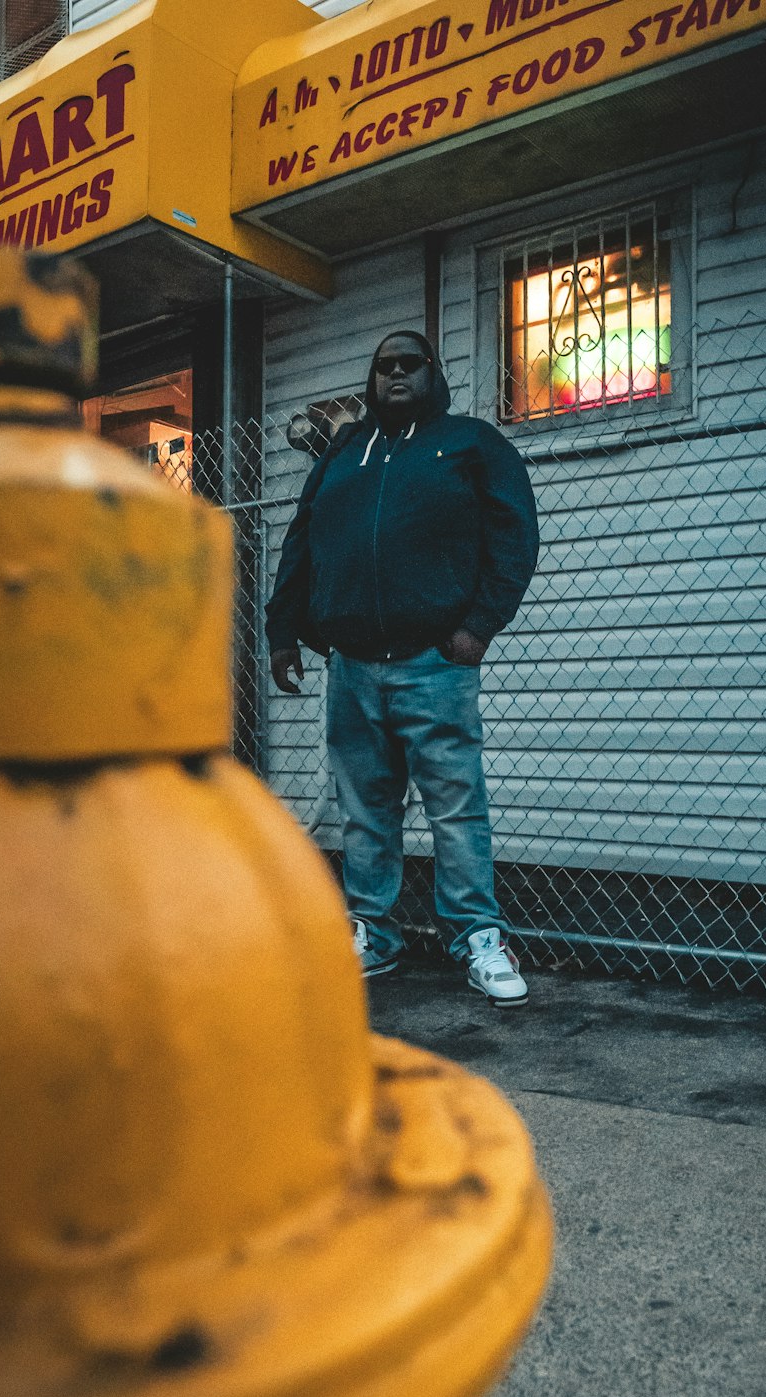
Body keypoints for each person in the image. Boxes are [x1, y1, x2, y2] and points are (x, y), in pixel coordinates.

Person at [266, 330, 539, 1006]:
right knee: (367, 810)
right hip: (352, 670)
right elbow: (302, 540)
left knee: (455, 806)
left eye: (408, 364)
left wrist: (478, 628)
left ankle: (478, 935)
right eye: (382, 366)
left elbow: (516, 534)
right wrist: (283, 632)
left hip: (434, 665)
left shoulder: (471, 443)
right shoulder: (341, 453)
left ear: (432, 374)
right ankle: (373, 934)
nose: (394, 375)